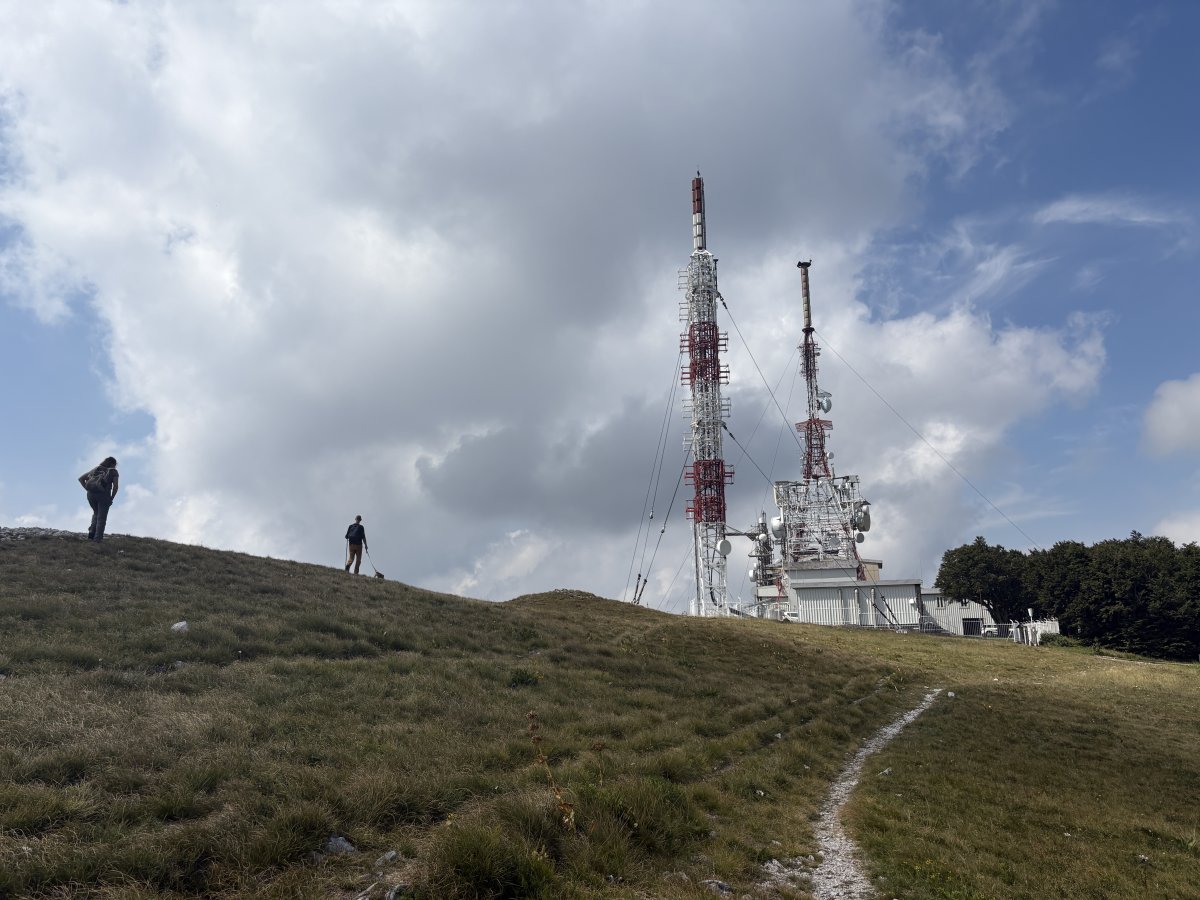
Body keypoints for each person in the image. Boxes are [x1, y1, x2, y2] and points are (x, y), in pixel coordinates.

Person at [78, 456, 119, 542]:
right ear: (112, 464)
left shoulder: (96, 469)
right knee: (102, 518)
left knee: (96, 513)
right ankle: (97, 540)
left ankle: (91, 534)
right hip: (103, 495)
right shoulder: (113, 471)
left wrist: (88, 489)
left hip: (91, 495)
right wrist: (111, 498)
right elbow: (115, 487)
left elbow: (81, 479)